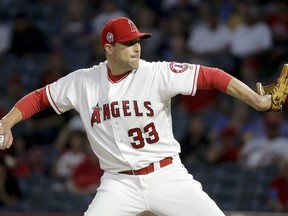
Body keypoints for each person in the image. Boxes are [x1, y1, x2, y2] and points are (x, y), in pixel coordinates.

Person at [0, 16, 281, 216]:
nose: (137, 46)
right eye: (127, 42)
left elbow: (213, 75)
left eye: (138, 40)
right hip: (118, 183)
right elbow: (39, 98)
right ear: (108, 48)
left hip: (167, 175)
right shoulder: (83, 81)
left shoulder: (156, 72)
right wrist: (7, 122)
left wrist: (256, 100)